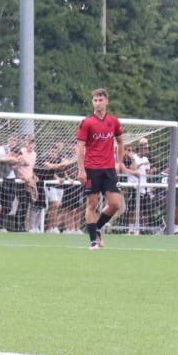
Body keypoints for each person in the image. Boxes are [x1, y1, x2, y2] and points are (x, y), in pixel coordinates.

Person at [75, 88, 125, 249]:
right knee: (92, 204)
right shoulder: (87, 122)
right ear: (92, 102)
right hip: (92, 169)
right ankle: (93, 241)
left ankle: (97, 227)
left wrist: (119, 162)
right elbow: (80, 147)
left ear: (106, 102)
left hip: (109, 169)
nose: (98, 103)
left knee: (115, 204)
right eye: (95, 100)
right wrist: (81, 169)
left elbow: (121, 142)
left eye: (100, 100)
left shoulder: (113, 121)